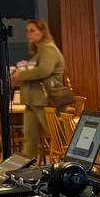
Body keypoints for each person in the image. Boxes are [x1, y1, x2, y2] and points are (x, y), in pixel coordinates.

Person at [10, 19, 66, 160]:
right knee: (29, 138)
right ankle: (27, 167)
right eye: (27, 31)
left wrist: (20, 75)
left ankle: (69, 166)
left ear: (42, 32)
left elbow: (44, 70)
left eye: (32, 30)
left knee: (57, 137)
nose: (29, 34)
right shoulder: (39, 51)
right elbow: (35, 71)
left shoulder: (48, 49)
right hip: (32, 101)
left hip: (45, 100)